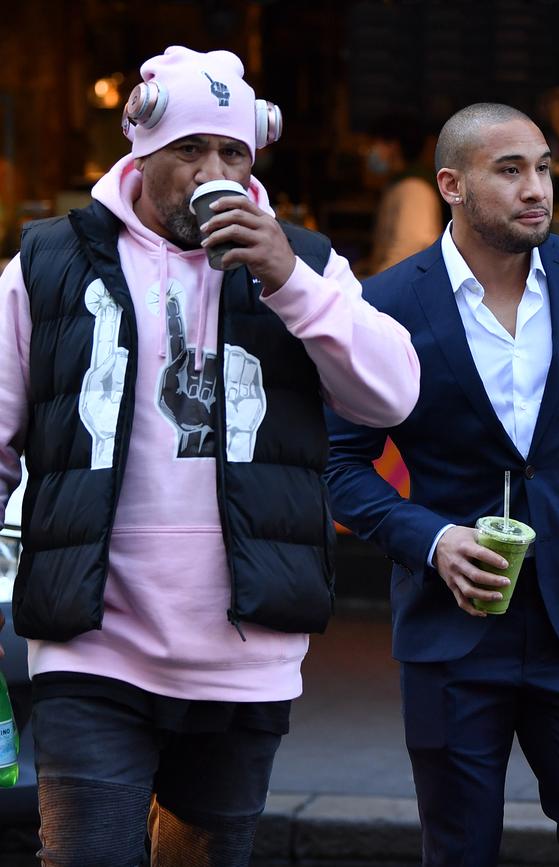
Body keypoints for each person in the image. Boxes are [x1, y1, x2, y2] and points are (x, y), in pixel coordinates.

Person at [0, 46, 420, 867]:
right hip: (91, 637)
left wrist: (287, 277)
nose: (211, 170)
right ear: (141, 153)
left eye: (232, 152)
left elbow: (393, 395)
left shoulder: (305, 264)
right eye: (189, 149)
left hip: (246, 651)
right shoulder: (47, 264)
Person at [324, 102, 559, 867]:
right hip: (452, 625)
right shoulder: (386, 305)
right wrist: (432, 539)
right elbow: (339, 465)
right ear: (453, 184)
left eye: (542, 167)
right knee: (461, 850)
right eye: (510, 170)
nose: (535, 187)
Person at [365, 111, 443, 275]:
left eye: (374, 143)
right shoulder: (398, 184)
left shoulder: (414, 188)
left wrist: (374, 288)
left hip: (399, 292)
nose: (369, 151)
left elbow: (410, 247)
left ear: (393, 146)